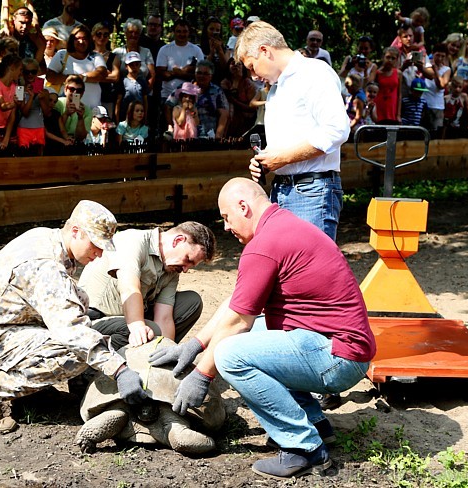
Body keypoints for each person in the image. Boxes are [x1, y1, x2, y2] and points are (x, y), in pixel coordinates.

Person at [149, 178, 375, 480]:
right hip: (338, 347)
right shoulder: (283, 226)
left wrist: (201, 376)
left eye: (227, 218)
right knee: (256, 330)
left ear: (244, 206)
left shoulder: (265, 244)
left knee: (231, 354)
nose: (226, 227)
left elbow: (237, 323)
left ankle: (303, 449)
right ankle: (315, 422)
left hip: (337, 358)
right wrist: (195, 345)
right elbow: (237, 303)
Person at [0, 200, 147, 434]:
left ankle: (34, 392)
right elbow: (72, 332)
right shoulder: (45, 266)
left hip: (0, 324)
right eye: (96, 244)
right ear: (76, 232)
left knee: (86, 331)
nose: (100, 252)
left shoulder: (47, 237)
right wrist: (119, 370)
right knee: (74, 352)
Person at [235, 20, 349, 241]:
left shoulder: (314, 73)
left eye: (251, 67)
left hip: (313, 191)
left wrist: (283, 157)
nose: (253, 76)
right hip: (283, 190)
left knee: (311, 271)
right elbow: (291, 141)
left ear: (265, 51)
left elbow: (337, 130)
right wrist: (267, 160)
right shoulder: (277, 88)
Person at [78, 221, 216, 351]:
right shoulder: (133, 241)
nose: (185, 269)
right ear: (178, 240)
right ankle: (90, 368)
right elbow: (129, 288)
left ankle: (150, 361)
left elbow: (164, 317)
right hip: (90, 322)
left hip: (125, 320)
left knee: (191, 302)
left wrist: (165, 351)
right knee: (150, 330)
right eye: (188, 260)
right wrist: (138, 326)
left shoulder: (171, 268)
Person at [46, 24, 106, 110]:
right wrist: (71, 79)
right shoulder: (62, 55)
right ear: (72, 40)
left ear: (89, 40)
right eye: (77, 39)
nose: (81, 42)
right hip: (65, 109)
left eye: (84, 39)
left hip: (92, 110)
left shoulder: (95, 56)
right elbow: (50, 76)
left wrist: (82, 78)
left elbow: (102, 74)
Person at [165, 60, 229, 139]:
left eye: (205, 74)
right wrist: (171, 128)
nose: (202, 76)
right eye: (199, 73)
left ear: (211, 76)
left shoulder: (217, 91)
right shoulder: (184, 88)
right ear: (195, 74)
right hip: (184, 134)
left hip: (208, 133)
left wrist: (218, 135)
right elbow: (168, 105)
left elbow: (224, 114)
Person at [156, 19, 203, 110]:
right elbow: (161, 75)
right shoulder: (165, 49)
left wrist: (177, 73)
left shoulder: (196, 50)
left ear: (189, 32)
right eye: (179, 31)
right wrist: (186, 72)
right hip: (167, 96)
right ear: (174, 32)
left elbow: (200, 75)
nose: (182, 34)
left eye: (185, 31)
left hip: (190, 97)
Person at [16, 58, 46, 153]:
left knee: (38, 160)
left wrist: (41, 99)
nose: (30, 75)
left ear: (37, 72)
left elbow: (47, 113)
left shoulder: (44, 91)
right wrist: (31, 97)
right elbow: (24, 113)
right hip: (24, 128)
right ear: (22, 73)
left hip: (39, 127)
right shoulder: (19, 90)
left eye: (33, 72)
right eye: (27, 72)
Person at [221, 57, 257, 138]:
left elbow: (252, 108)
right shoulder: (225, 83)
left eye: (238, 64)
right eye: (233, 63)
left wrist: (234, 100)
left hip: (246, 121)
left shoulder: (248, 84)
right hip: (228, 121)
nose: (235, 66)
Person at [421, 43, 451, 138]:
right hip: (424, 103)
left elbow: (442, 85)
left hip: (437, 106)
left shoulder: (446, 69)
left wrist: (436, 70)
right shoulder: (426, 65)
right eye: (438, 55)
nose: (440, 58)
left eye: (443, 56)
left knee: (436, 133)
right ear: (433, 53)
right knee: (423, 131)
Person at [91, 22, 120, 117]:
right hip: (90, 96)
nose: (102, 37)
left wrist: (93, 76)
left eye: (105, 35)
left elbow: (115, 77)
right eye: (99, 34)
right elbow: (82, 73)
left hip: (106, 97)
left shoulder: (114, 57)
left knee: (105, 127)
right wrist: (106, 74)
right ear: (93, 36)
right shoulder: (87, 55)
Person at [55, 74, 91, 142]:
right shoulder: (57, 103)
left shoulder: (87, 111)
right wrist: (66, 114)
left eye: (79, 90)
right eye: (72, 89)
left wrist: (80, 118)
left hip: (75, 143)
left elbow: (81, 137)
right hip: (57, 141)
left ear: (82, 93)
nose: (75, 92)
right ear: (65, 89)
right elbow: (54, 130)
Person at [115, 51, 148, 123]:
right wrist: (117, 120)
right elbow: (118, 101)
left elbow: (145, 101)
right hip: (125, 117)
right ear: (126, 66)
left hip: (139, 118)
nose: (134, 67)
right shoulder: (123, 81)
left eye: (137, 64)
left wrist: (145, 118)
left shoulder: (143, 81)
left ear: (140, 66)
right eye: (131, 65)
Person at [373, 47, 402, 124]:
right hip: (379, 108)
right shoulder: (377, 73)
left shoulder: (398, 73)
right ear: (383, 57)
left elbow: (399, 95)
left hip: (392, 109)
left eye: (393, 58)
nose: (390, 60)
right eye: (388, 57)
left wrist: (398, 114)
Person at [200, 16, 229, 83]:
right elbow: (203, 67)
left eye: (217, 30)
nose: (214, 32)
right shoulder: (199, 48)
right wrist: (212, 52)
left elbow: (226, 68)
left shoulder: (226, 49)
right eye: (211, 29)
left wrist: (220, 50)